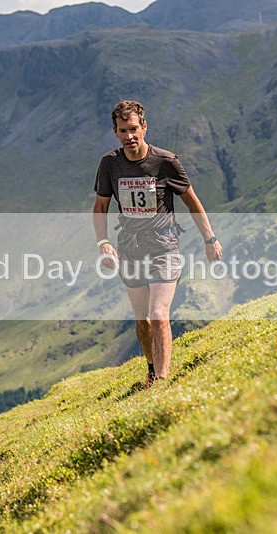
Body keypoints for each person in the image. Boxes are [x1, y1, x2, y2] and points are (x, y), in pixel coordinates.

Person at [92, 100, 223, 388]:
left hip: (164, 246)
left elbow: (192, 201)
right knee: (142, 320)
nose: (130, 136)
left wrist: (209, 239)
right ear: (115, 132)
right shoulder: (110, 164)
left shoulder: (165, 162)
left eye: (134, 129)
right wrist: (103, 243)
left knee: (159, 314)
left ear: (144, 127)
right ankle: (152, 368)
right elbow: (100, 207)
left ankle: (162, 381)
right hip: (129, 248)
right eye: (123, 130)